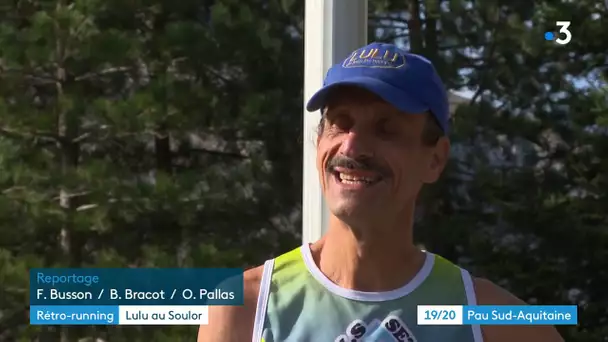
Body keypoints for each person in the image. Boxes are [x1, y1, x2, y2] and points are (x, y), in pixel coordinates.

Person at [198, 42, 564, 342]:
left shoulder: (497, 323)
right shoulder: (243, 308)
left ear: (435, 159)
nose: (352, 148)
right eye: (340, 125)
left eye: (386, 129)